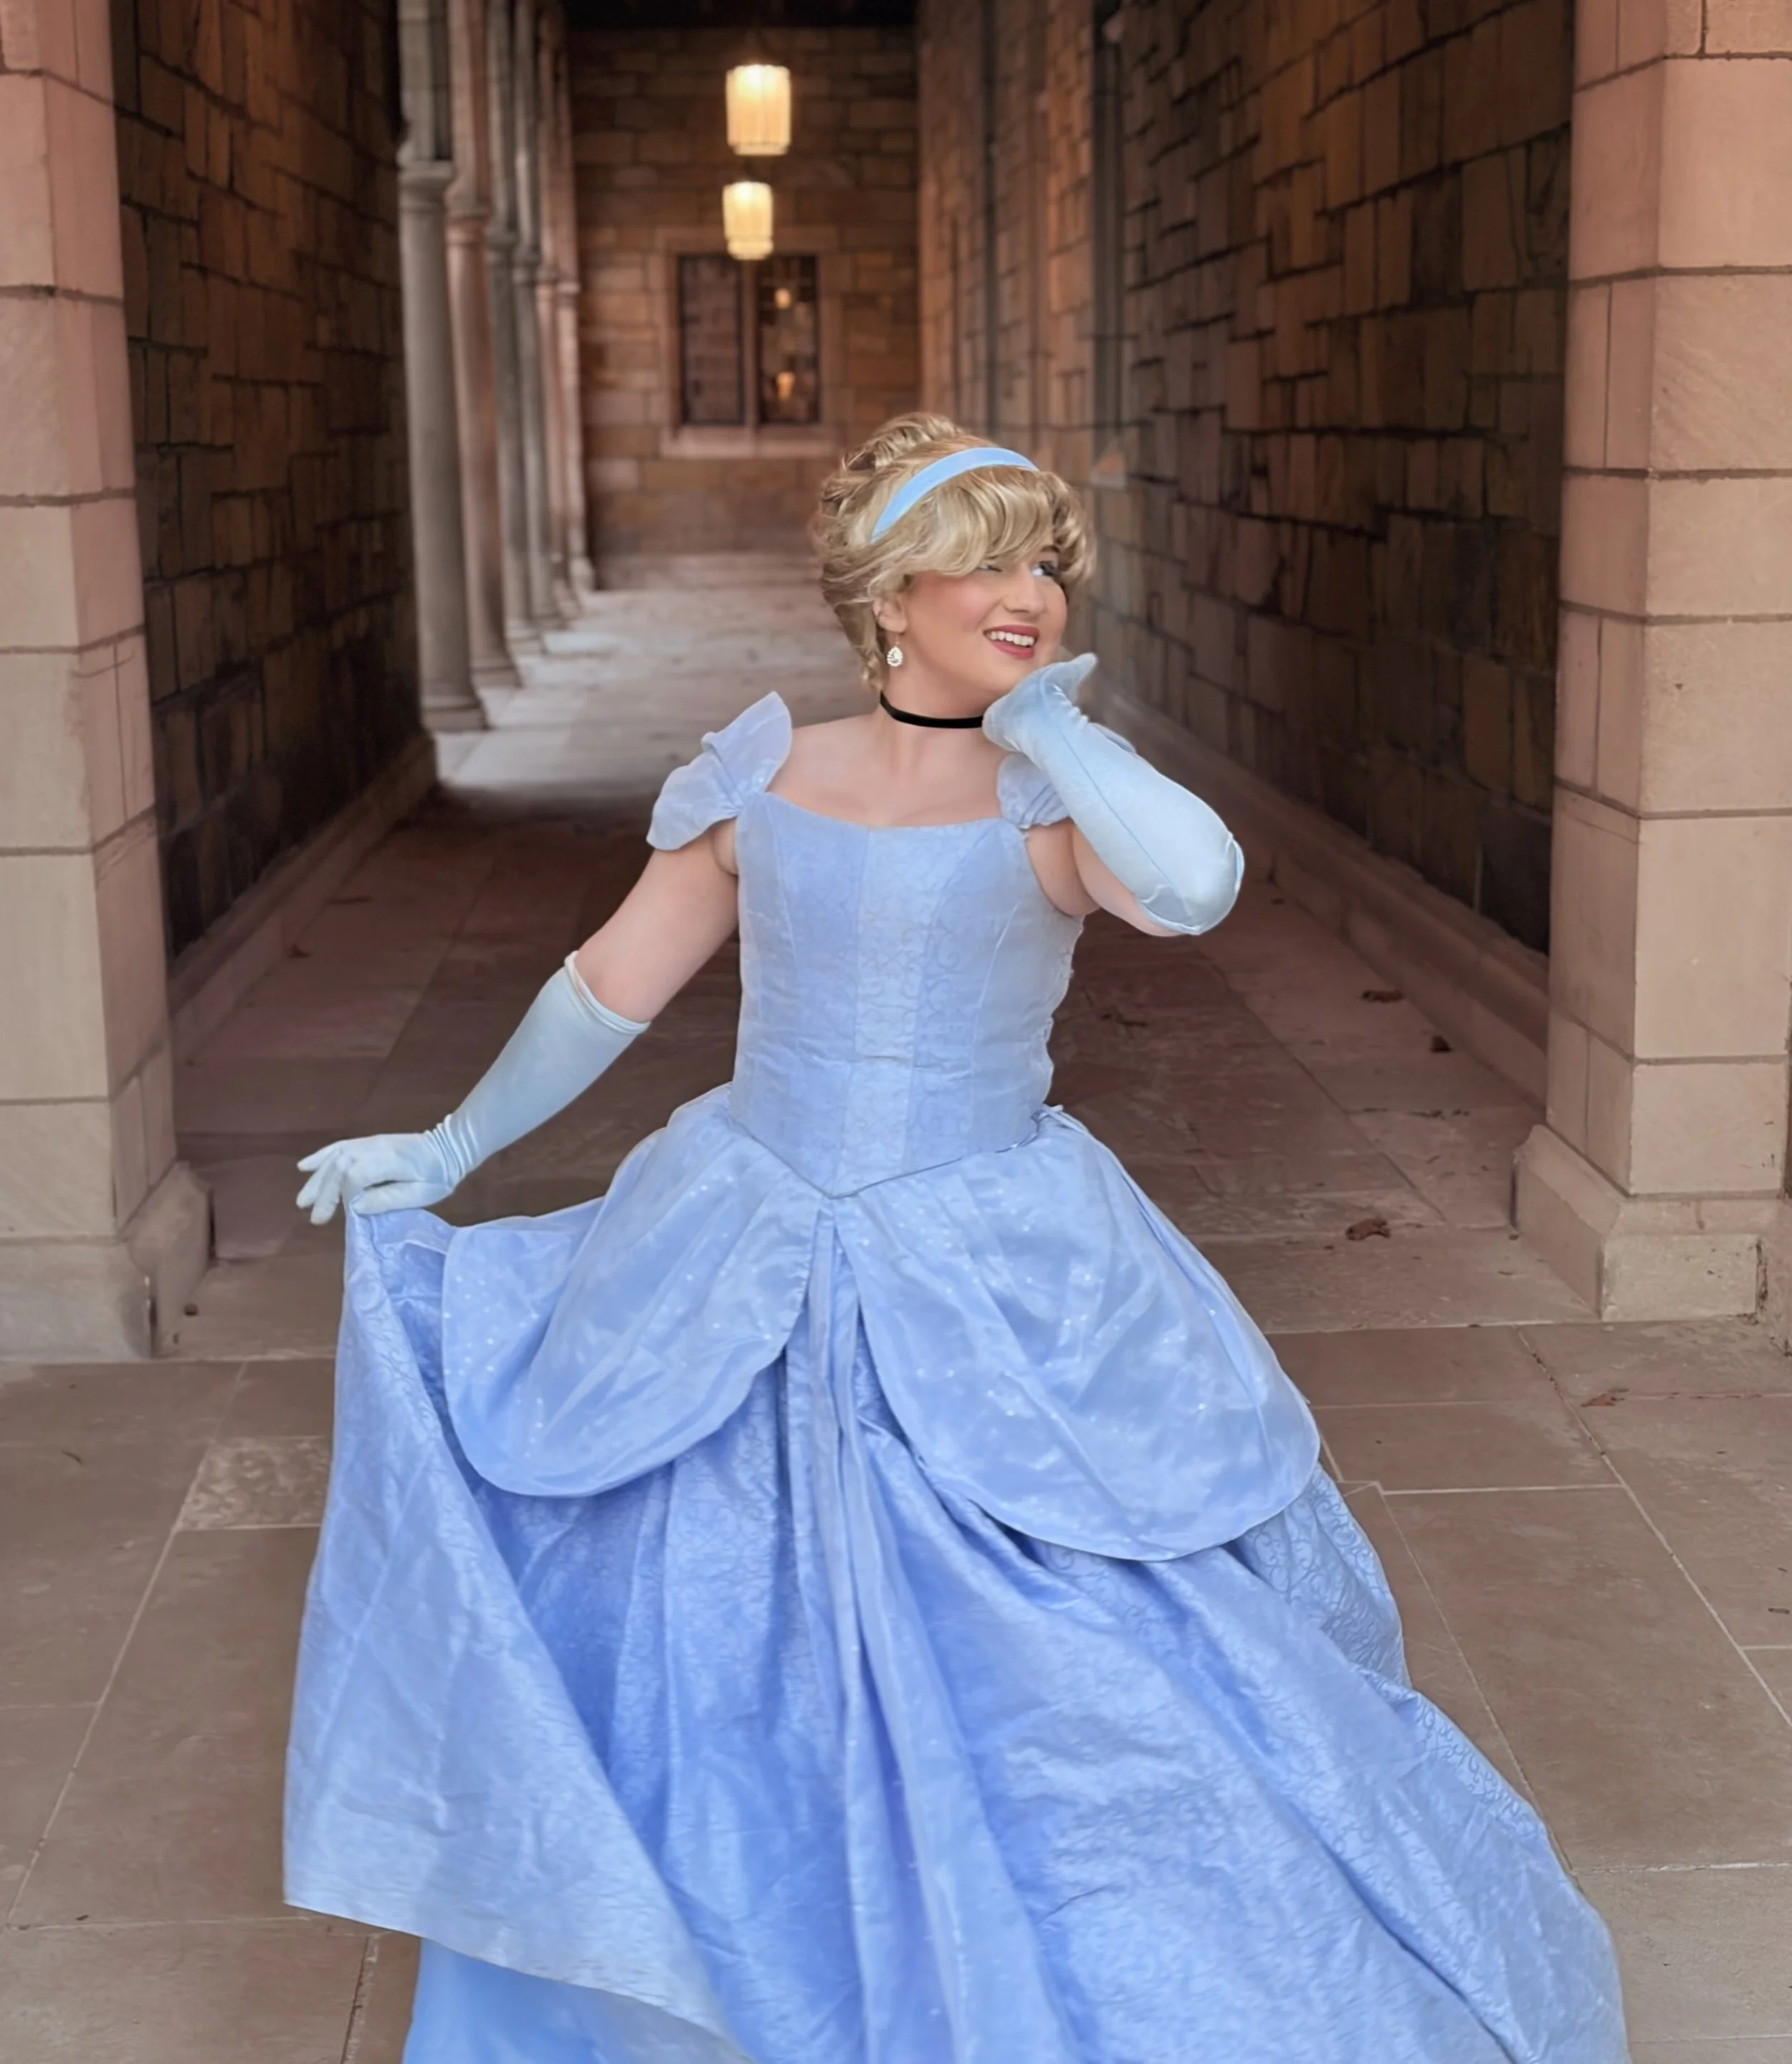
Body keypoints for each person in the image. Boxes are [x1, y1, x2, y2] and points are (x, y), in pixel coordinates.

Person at [287, 414, 1629, 2063]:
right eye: (987, 559)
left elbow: (1197, 886)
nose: (1030, 593)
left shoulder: (1050, 807)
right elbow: (604, 987)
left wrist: (1058, 732)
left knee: (1080, 1652)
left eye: (1046, 562)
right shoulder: (760, 777)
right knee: (703, 1641)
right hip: (744, 1236)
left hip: (989, 1259)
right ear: (889, 593)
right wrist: (448, 1140)